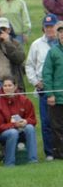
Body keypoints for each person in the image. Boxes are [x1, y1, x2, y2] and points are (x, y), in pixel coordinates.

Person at [25, 14, 58, 161]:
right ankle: (50, 153)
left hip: (60, 86)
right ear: (43, 28)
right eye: (47, 27)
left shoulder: (61, 43)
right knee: (46, 122)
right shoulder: (36, 44)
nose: (50, 29)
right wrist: (35, 81)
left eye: (52, 27)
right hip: (44, 87)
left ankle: (60, 150)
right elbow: (29, 65)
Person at [0, 76, 38, 166]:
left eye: (10, 85)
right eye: (5, 86)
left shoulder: (24, 100)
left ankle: (33, 161)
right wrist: (13, 125)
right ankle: (9, 163)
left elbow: (33, 119)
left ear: (15, 86)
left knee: (30, 128)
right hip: (6, 133)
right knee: (13, 133)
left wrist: (25, 121)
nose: (7, 88)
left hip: (22, 129)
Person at [43, 21, 63, 159]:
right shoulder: (53, 52)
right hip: (57, 97)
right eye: (61, 33)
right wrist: (50, 94)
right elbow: (47, 74)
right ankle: (60, 154)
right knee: (57, 128)